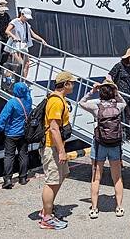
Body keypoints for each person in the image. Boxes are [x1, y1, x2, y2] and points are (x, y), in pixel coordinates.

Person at [78, 80, 127, 219]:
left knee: (96, 178)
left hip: (99, 144)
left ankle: (94, 209)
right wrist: (116, 90)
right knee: (117, 178)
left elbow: (81, 102)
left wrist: (92, 91)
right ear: (113, 93)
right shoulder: (118, 106)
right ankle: (119, 207)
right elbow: (124, 102)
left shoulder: (96, 107)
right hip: (115, 145)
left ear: (101, 93)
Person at [39, 71, 77, 230]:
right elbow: (54, 129)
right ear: (66, 84)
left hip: (56, 146)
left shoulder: (60, 99)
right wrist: (61, 151)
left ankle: (47, 209)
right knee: (52, 181)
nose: (73, 85)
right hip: (52, 147)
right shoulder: (55, 101)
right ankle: (46, 218)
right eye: (72, 83)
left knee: (63, 174)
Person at [0, 82, 32, 189]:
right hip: (24, 133)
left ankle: (8, 179)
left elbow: (3, 117)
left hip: (11, 134)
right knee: (23, 155)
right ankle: (23, 178)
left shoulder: (12, 102)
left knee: (9, 156)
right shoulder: (28, 101)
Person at [107, 47, 130, 147]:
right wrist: (114, 89)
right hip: (121, 97)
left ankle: (128, 135)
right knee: (120, 116)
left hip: (129, 95)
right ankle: (120, 136)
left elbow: (127, 76)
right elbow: (109, 76)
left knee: (128, 116)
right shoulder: (118, 66)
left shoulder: (128, 67)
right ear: (129, 57)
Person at [5, 8, 46, 79]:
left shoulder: (26, 24)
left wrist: (42, 39)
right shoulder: (15, 21)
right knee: (20, 63)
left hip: (23, 46)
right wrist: (14, 37)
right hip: (15, 45)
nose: (27, 19)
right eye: (26, 17)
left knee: (27, 64)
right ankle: (10, 77)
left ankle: (23, 80)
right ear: (22, 14)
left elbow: (33, 34)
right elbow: (7, 31)